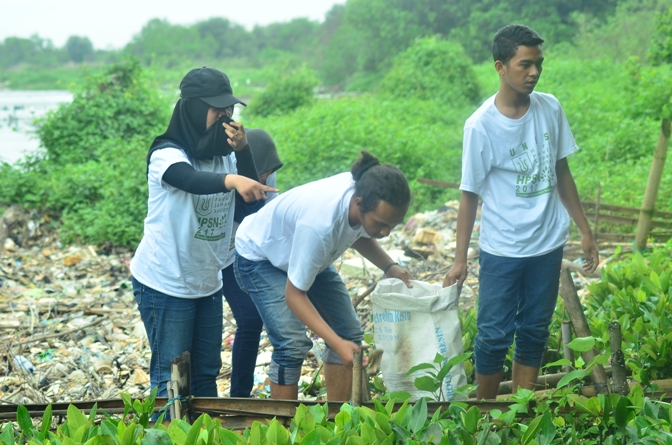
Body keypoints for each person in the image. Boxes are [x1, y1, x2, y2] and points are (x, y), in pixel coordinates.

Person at [442, 24, 599, 399]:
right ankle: (485, 415)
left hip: (547, 245)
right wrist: (460, 258)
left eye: (538, 64)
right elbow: (469, 195)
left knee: (534, 330)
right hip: (503, 249)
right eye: (524, 65)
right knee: (494, 333)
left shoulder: (549, 107)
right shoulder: (480, 126)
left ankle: (520, 412)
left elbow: (562, 171)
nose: (534, 73)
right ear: (500, 66)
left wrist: (584, 229)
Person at [130, 67, 276, 399]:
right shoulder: (166, 154)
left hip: (207, 282)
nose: (226, 117)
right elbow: (188, 179)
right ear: (194, 109)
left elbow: (249, 206)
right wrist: (233, 180)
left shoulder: (225, 158)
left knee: (205, 373)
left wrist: (242, 151)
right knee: (171, 375)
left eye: (230, 110)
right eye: (217, 110)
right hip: (165, 281)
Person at [234, 151, 413, 401]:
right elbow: (294, 296)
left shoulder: (364, 195)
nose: (385, 232)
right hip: (259, 257)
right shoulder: (320, 224)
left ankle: (336, 422)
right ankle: (283, 431)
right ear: (359, 203)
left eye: (392, 226)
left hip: (303, 254)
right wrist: (336, 343)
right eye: (381, 224)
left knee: (349, 333)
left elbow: (360, 230)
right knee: (291, 345)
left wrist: (389, 266)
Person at [222, 128, 283, 398]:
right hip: (216, 253)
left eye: (268, 174)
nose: (265, 180)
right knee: (247, 318)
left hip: (243, 252)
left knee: (252, 319)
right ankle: (230, 396)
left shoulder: (267, 174)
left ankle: (240, 396)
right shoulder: (227, 178)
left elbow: (268, 220)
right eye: (260, 175)